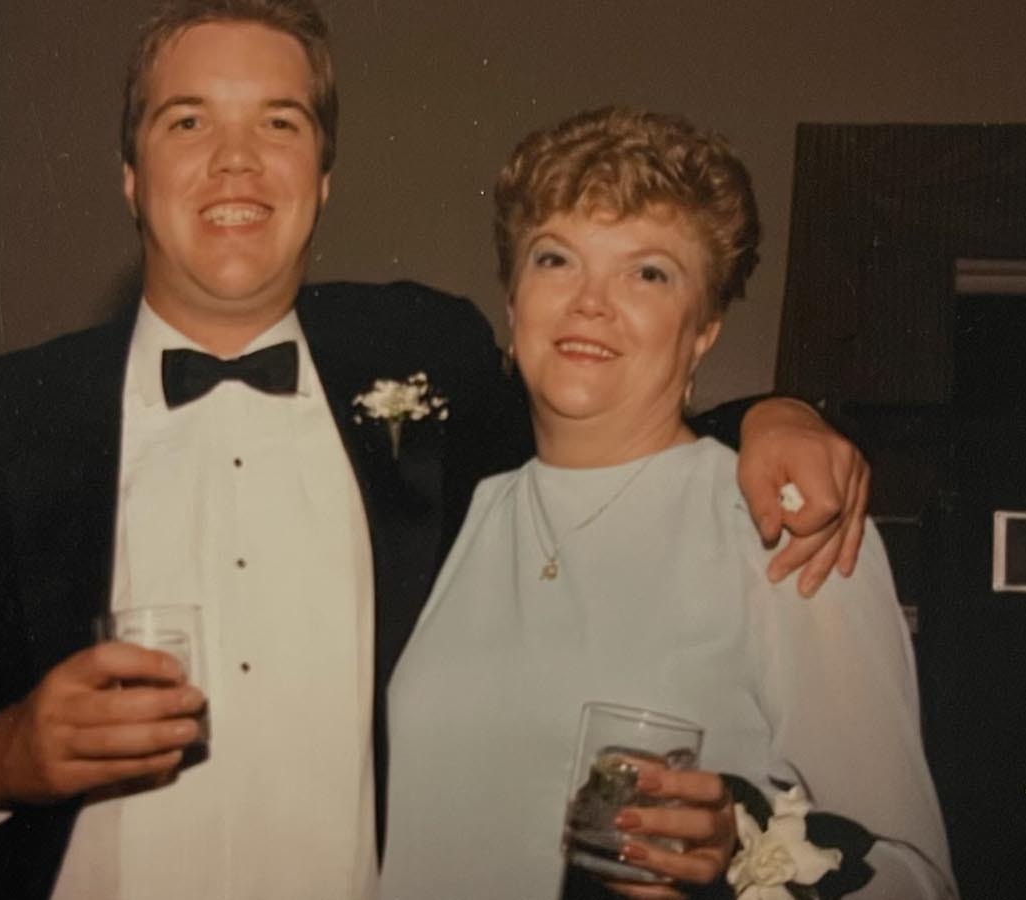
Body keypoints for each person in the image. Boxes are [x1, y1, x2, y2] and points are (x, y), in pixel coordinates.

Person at [0, 3, 869, 899]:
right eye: (189, 122)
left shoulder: (421, 355)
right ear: (130, 174)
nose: (236, 163)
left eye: (282, 123)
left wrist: (771, 417)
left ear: (325, 179)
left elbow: (597, 406)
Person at [381, 107, 955, 899]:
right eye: (556, 260)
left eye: (648, 272)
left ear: (704, 330)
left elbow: (914, 878)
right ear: (512, 304)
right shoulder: (450, 513)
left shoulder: (781, 527)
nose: (591, 301)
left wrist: (739, 852)